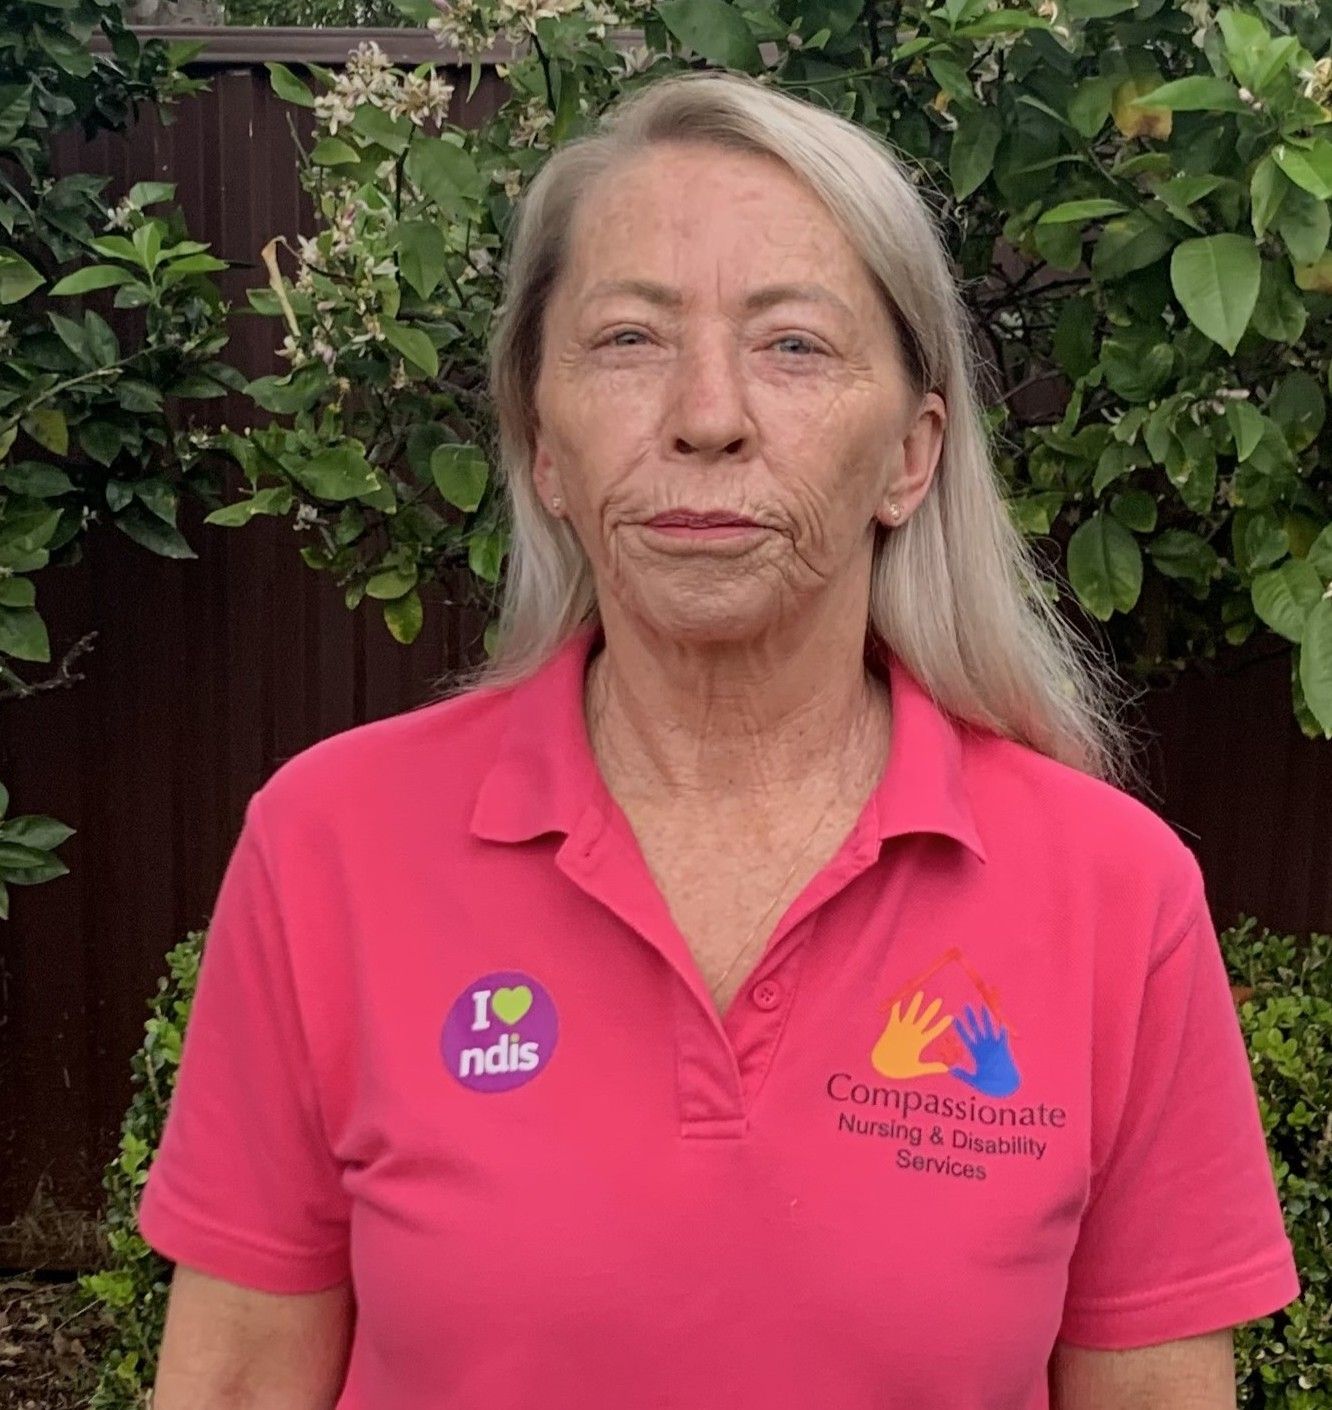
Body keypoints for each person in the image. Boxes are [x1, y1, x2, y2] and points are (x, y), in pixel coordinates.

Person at [139, 68, 1299, 1409]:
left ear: (911, 455)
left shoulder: (1114, 895)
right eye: (629, 339)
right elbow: (234, 1381)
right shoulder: (331, 844)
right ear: (543, 444)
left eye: (793, 345)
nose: (707, 415)